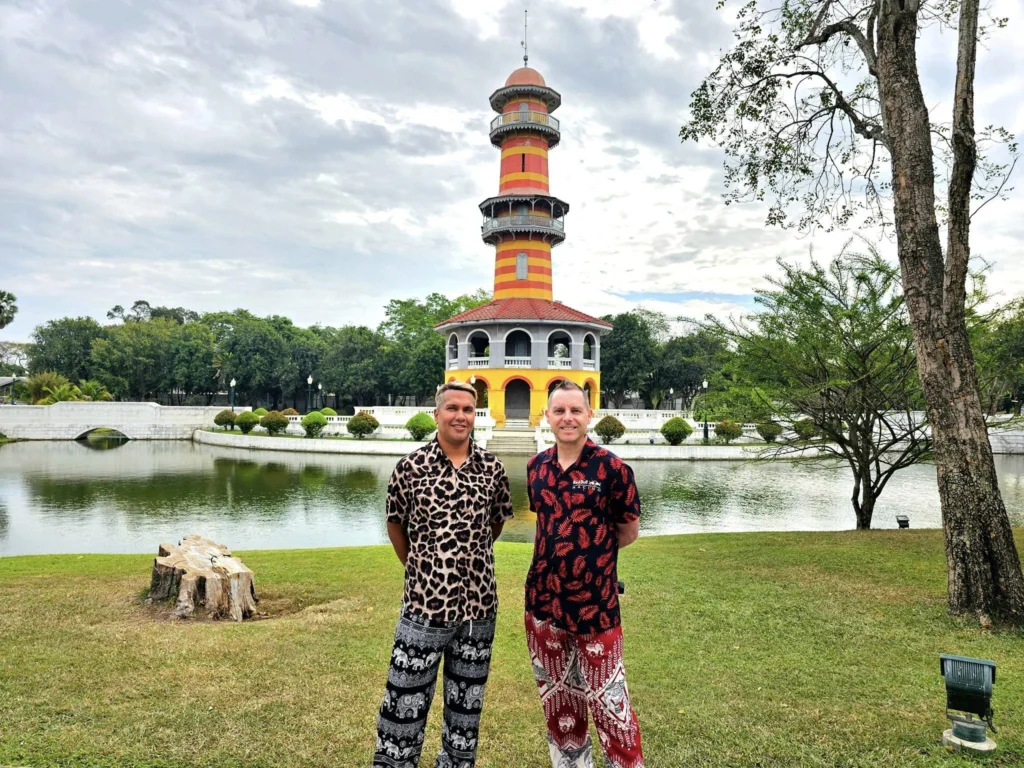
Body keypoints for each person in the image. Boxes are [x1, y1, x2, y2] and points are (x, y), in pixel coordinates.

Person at [373, 380, 513, 768]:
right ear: (437, 414)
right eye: (452, 408)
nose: (460, 416)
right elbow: (395, 525)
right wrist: (421, 566)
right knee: (404, 700)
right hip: (423, 606)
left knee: (466, 708)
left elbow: (495, 524)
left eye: (468, 410)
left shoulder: (492, 469)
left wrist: (470, 557)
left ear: (475, 416)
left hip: (478, 608)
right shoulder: (411, 466)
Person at [524, 380, 644, 768]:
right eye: (559, 411)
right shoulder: (536, 467)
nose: (568, 418)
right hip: (544, 604)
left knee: (610, 703)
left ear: (590, 415)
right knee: (560, 701)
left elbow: (627, 532)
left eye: (576, 410)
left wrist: (591, 557)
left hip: (596, 607)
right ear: (547, 416)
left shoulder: (612, 469)